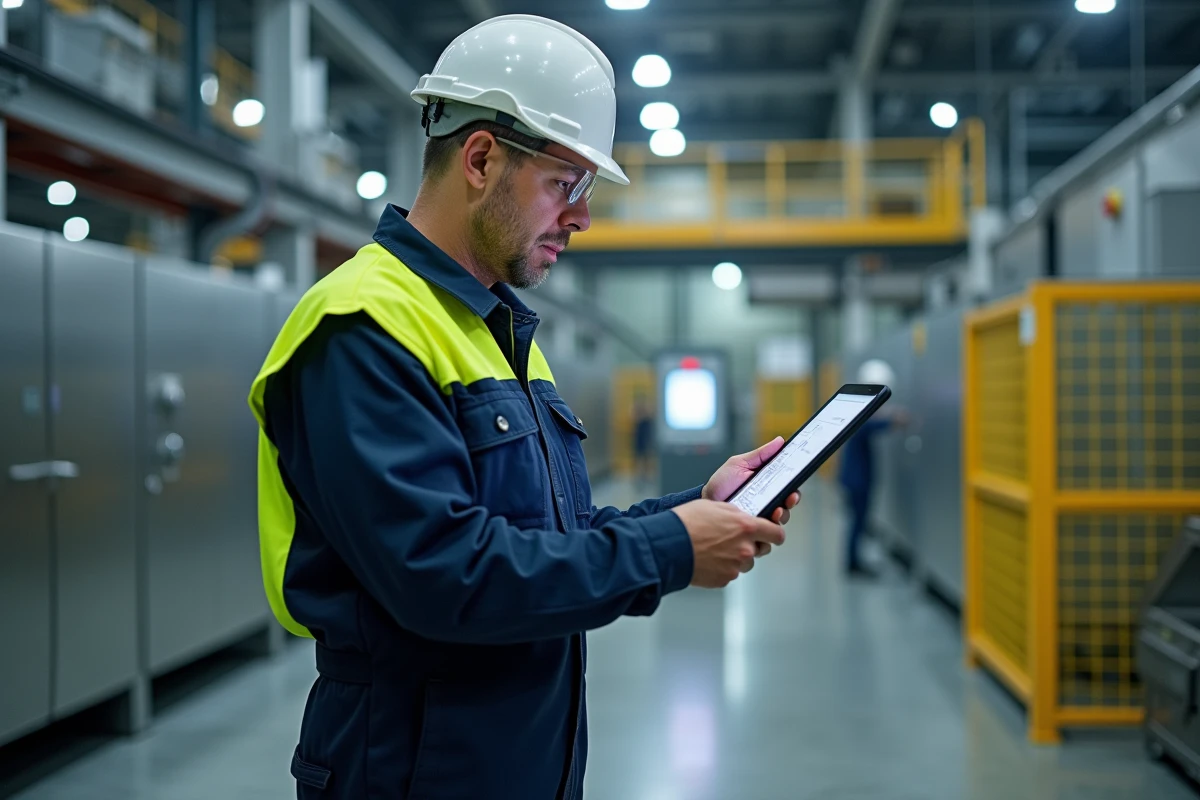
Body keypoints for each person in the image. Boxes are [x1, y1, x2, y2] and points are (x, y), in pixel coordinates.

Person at [246, 15, 800, 800]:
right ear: (480, 158)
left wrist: (697, 507)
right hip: (412, 767)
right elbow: (447, 575)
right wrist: (672, 550)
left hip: (519, 756)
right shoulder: (362, 328)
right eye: (565, 184)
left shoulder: (496, 333)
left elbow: (549, 539)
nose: (582, 217)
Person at [837, 359, 906, 578]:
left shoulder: (857, 409)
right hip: (858, 480)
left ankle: (854, 560)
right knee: (858, 521)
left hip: (855, 478)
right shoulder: (861, 415)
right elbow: (870, 426)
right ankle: (853, 563)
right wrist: (894, 421)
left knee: (857, 521)